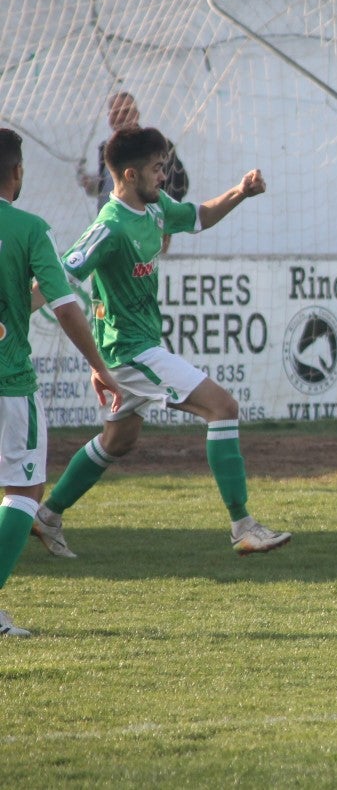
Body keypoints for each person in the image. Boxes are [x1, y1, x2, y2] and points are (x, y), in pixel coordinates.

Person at [30, 126, 290, 558]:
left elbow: (198, 217)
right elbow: (60, 276)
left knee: (118, 441)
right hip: (129, 352)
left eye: (165, 166)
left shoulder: (154, 210)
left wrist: (240, 192)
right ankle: (243, 526)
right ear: (130, 175)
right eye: (157, 169)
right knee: (223, 408)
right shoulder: (109, 227)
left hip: (141, 344)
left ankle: (48, 515)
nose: (164, 176)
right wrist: (12, 311)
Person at [0, 128, 122, 637]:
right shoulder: (30, 229)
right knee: (25, 491)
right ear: (18, 171)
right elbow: (66, 306)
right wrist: (100, 365)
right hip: (9, 384)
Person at [79, 91, 188, 253]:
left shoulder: (154, 145)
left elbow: (180, 183)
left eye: (125, 111)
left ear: (136, 114)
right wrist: (93, 185)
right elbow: (113, 185)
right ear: (109, 117)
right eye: (115, 113)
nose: (120, 117)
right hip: (111, 228)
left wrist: (166, 225)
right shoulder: (107, 149)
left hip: (144, 229)